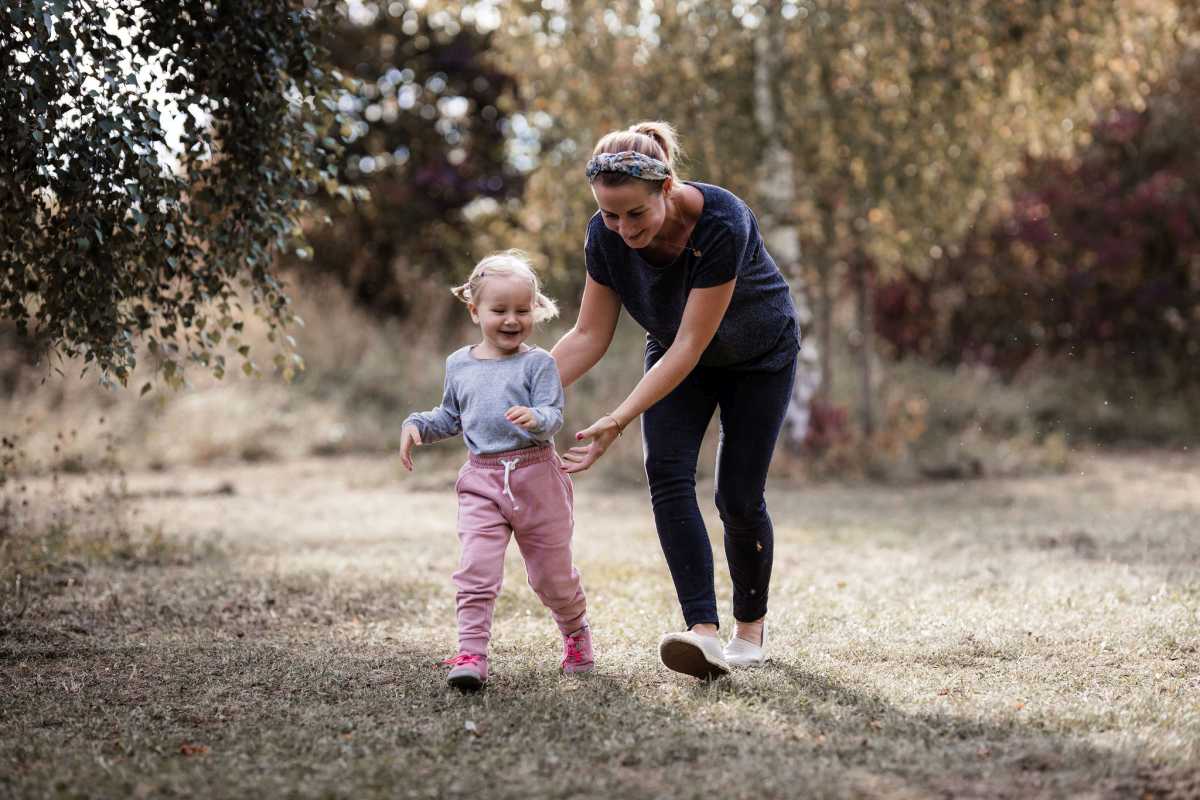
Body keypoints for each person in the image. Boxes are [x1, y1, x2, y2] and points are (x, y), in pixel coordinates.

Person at [551, 122, 800, 680]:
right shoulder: (604, 236)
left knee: (737, 497)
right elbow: (589, 335)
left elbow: (692, 343)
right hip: (675, 352)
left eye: (634, 214)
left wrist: (617, 419)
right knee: (665, 471)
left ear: (666, 188)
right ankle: (702, 635)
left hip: (759, 357)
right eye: (609, 215)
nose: (621, 228)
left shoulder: (720, 220)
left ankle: (749, 631)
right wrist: (517, 386)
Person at [400, 251, 593, 691]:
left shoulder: (538, 363)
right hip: (482, 480)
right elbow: (450, 416)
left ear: (535, 310)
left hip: (537, 479)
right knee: (476, 568)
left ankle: (576, 632)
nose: (511, 320)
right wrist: (416, 425)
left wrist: (536, 418)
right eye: (499, 310)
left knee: (552, 577)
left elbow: (553, 414)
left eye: (522, 310)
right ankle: (471, 654)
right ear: (475, 310)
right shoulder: (459, 364)